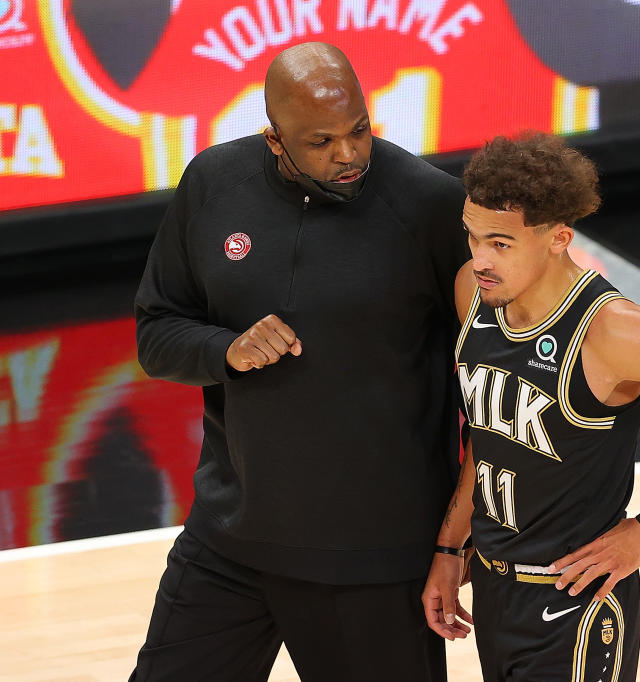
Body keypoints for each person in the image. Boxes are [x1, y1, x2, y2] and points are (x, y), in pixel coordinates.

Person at [131, 42, 468, 682]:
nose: (347, 155)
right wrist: (224, 349)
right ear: (274, 138)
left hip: (372, 561)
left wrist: (455, 542)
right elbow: (158, 331)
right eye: (320, 142)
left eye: (359, 131)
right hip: (230, 542)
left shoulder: (428, 205)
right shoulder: (213, 183)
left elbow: (491, 385)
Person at [421, 132, 640, 681]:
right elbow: (490, 442)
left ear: (559, 238)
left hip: (575, 602)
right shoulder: (475, 291)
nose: (480, 258)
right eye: (472, 238)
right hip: (492, 586)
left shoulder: (616, 330)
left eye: (500, 243)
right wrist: (450, 549)